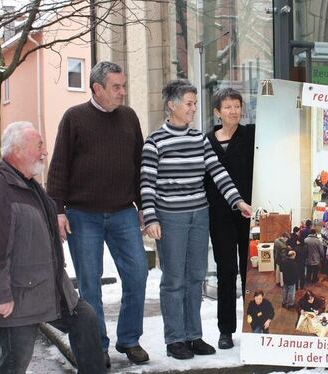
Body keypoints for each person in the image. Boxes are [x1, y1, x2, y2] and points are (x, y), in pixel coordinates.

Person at [0, 122, 105, 373]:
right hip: (19, 296)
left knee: (85, 319)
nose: (45, 152)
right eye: (39, 146)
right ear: (17, 151)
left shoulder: (31, 186)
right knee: (15, 362)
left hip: (52, 288)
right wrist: (1, 295)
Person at [141, 80, 253, 360]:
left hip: (199, 215)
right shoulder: (155, 141)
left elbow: (218, 173)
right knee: (174, 279)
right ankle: (175, 339)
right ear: (172, 105)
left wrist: (237, 201)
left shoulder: (199, 139)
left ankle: (194, 335)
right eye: (189, 103)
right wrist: (151, 218)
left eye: (194, 103)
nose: (193, 108)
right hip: (171, 218)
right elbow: (147, 184)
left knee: (195, 277)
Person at [47, 61, 148, 367]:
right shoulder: (74, 118)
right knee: (90, 284)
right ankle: (98, 345)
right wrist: (58, 211)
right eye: (116, 86)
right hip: (82, 214)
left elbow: (139, 165)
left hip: (122, 213)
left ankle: (129, 339)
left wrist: (144, 205)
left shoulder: (129, 117)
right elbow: (59, 166)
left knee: (138, 274)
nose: (122, 92)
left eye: (123, 85)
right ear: (97, 88)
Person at [204, 88, 255, 350]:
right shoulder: (207, 141)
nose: (234, 111)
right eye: (228, 107)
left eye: (237, 105)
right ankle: (226, 330)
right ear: (217, 112)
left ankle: (253, 326)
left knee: (250, 269)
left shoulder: (251, 135)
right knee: (226, 271)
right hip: (219, 215)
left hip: (248, 213)